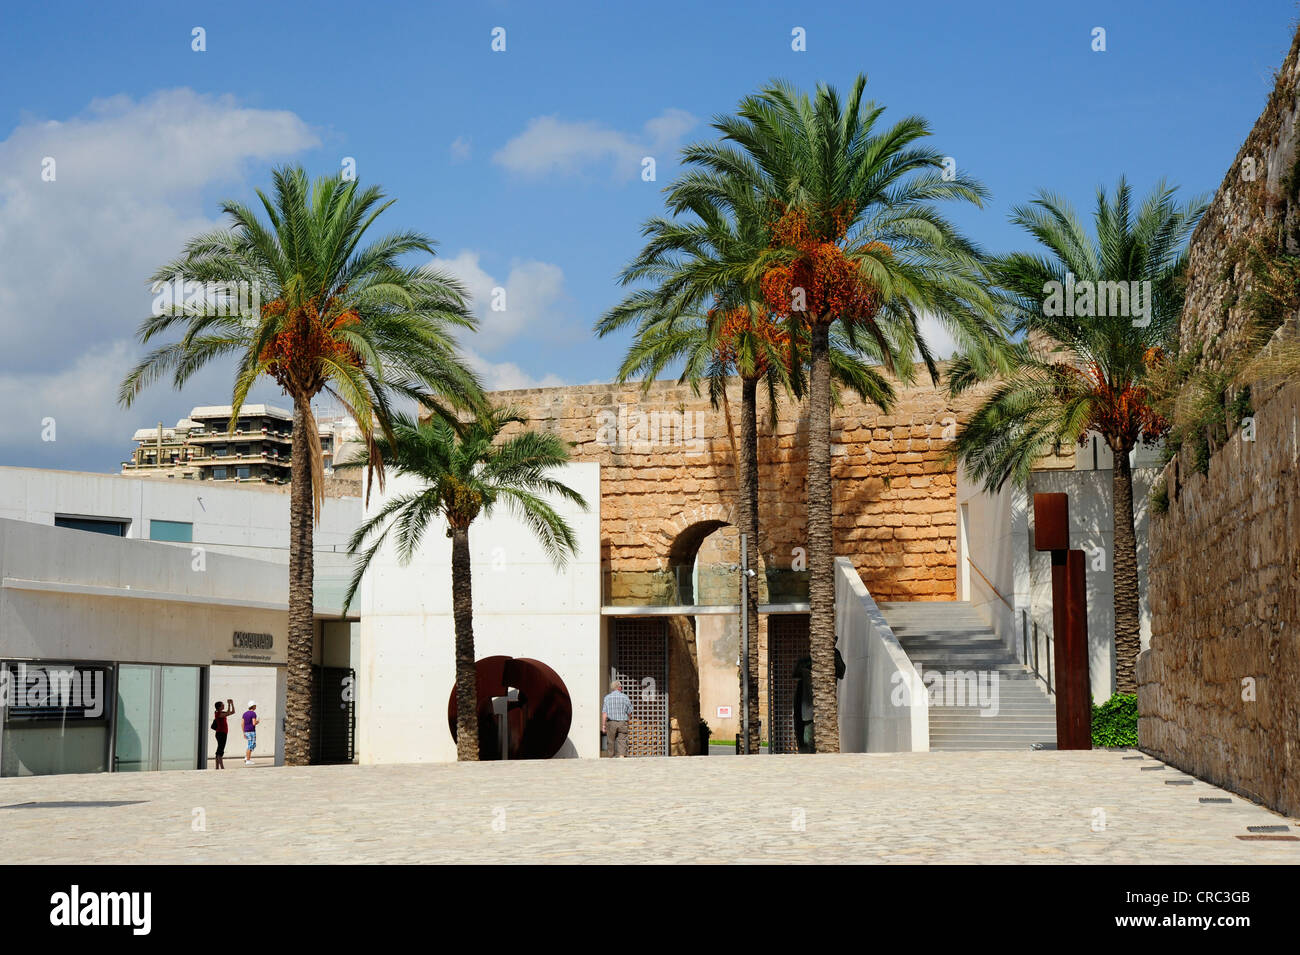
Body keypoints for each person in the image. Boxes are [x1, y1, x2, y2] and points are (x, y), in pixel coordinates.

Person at [601, 680, 633, 757]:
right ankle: (621, 757)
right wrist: (627, 720)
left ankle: (611, 757)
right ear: (619, 688)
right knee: (622, 741)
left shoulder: (607, 698)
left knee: (610, 741)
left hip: (611, 723)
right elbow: (630, 711)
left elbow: (604, 713)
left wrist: (603, 726)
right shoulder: (625, 697)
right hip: (623, 722)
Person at [211, 698, 235, 769]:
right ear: (219, 707)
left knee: (219, 749)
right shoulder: (218, 713)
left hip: (223, 733)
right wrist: (229, 704)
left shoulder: (221, 713)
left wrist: (231, 704)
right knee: (220, 750)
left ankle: (217, 767)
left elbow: (232, 712)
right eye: (222, 705)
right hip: (221, 733)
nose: (223, 705)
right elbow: (227, 713)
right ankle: (221, 767)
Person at [241, 701, 259, 766]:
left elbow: (242, 723)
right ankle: (248, 760)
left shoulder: (244, 714)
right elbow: (254, 723)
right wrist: (258, 722)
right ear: (253, 706)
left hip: (246, 731)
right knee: (251, 745)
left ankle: (246, 757)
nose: (256, 706)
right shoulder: (253, 713)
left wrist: (244, 732)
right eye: (255, 705)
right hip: (251, 731)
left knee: (251, 745)